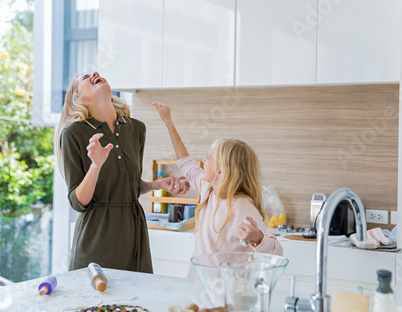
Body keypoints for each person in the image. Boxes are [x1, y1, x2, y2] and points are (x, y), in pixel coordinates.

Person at [55, 72, 190, 272]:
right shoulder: (73, 133)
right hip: (97, 237)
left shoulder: (136, 129)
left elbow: (129, 185)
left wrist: (156, 185)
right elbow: (78, 202)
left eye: (96, 73)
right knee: (97, 302)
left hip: (133, 236)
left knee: (137, 301)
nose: (95, 74)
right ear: (78, 97)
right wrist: (96, 165)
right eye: (85, 78)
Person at [153, 102, 283, 278]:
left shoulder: (243, 207)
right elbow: (185, 161)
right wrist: (168, 122)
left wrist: (257, 237)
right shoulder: (208, 189)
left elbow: (277, 253)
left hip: (227, 296)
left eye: (208, 158)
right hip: (198, 287)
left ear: (220, 171)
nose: (203, 161)